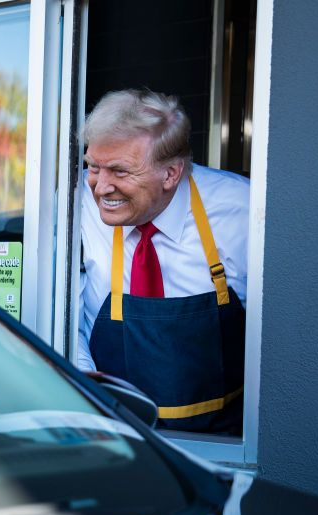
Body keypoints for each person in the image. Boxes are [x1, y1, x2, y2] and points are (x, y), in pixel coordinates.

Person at [77, 89, 250, 435]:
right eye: (94, 167)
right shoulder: (76, 202)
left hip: (220, 442)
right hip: (115, 433)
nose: (101, 187)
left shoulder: (242, 210)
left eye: (120, 172)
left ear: (171, 173)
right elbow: (62, 303)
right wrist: (82, 378)